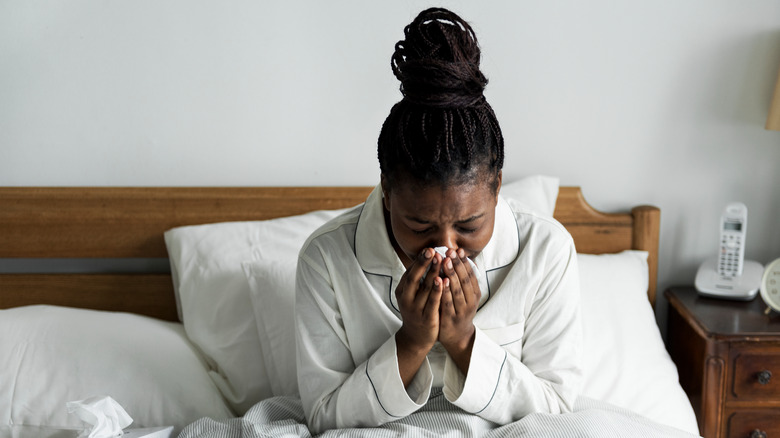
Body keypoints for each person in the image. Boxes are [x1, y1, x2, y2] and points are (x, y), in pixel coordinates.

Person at [294, 7, 581, 434]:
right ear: (387, 194)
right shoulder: (328, 258)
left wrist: (463, 340)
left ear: (497, 187)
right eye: (420, 226)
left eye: (468, 226)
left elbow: (558, 413)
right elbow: (323, 417)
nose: (444, 246)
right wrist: (410, 341)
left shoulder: (546, 251)